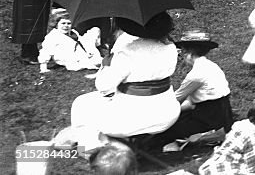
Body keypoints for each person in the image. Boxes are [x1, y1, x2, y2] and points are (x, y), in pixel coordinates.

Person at [65, 12, 181, 153]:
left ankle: (91, 148)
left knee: (81, 103)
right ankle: (110, 144)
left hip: (133, 119)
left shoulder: (127, 51)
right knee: (94, 103)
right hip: (167, 114)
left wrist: (107, 63)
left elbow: (104, 87)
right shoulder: (170, 47)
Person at [158, 31, 233, 150]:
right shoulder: (211, 66)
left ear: (189, 53)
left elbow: (176, 100)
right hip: (221, 112)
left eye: (183, 52)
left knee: (164, 129)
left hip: (209, 118)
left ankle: (206, 136)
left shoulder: (196, 74)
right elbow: (192, 101)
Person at [199, 106, 255, 175]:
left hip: (213, 166)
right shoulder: (252, 138)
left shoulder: (240, 127)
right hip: (225, 171)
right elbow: (253, 170)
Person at [38, 8, 103, 71]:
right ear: (56, 25)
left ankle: (95, 53)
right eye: (63, 23)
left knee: (95, 30)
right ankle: (91, 61)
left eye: (69, 23)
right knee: (84, 64)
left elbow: (80, 43)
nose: (66, 26)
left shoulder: (73, 32)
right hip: (67, 57)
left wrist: (87, 51)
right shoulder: (53, 36)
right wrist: (43, 67)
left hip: (78, 53)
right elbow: (45, 51)